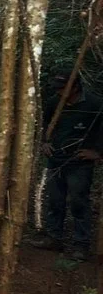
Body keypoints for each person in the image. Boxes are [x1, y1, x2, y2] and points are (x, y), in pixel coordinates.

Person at [31, 73, 103, 261]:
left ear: (76, 87)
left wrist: (97, 153)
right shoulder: (54, 102)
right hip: (56, 158)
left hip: (80, 162)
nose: (58, 92)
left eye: (63, 88)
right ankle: (54, 237)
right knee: (55, 199)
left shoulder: (95, 104)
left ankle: (81, 245)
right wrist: (45, 142)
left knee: (79, 201)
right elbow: (46, 123)